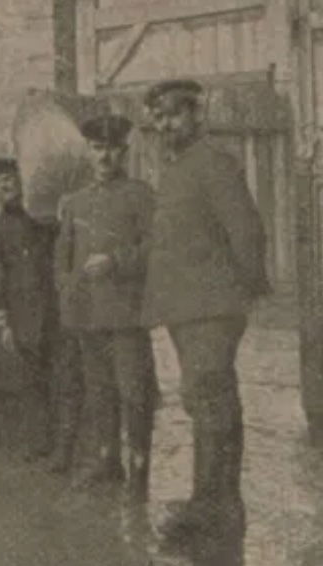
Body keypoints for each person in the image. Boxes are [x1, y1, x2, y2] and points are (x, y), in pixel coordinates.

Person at [143, 79, 271, 549]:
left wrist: (242, 291)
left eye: (174, 114)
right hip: (187, 309)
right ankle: (211, 503)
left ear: (196, 115)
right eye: (157, 117)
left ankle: (216, 511)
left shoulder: (213, 163)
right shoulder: (176, 169)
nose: (164, 124)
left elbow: (246, 231)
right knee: (203, 403)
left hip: (212, 309)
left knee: (212, 404)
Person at [55, 114, 157, 499]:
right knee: (99, 390)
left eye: (112, 149)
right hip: (87, 315)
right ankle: (107, 460)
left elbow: (155, 246)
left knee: (134, 391)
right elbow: (61, 255)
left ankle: (139, 469)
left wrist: (117, 260)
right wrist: (66, 288)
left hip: (126, 314)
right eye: (97, 148)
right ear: (88, 152)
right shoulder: (76, 201)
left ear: (124, 152)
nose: (105, 157)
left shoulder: (141, 195)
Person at [0, 157, 60, 462]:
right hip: (21, 313)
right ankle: (39, 442)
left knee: (62, 378)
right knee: (30, 380)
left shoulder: (43, 218)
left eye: (9, 179)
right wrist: (1, 318)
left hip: (53, 308)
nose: (5, 186)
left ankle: (63, 444)